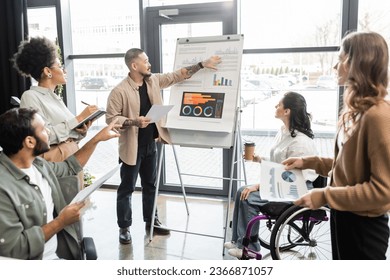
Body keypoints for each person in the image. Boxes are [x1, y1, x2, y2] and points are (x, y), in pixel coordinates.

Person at [282, 31, 390, 260]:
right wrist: (308, 162)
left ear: (357, 64)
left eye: (340, 59)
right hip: (344, 216)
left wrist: (325, 196)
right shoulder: (353, 113)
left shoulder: (379, 116)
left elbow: (382, 192)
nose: (335, 67)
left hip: (364, 229)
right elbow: (348, 168)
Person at [106, 47, 221, 244]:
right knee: (127, 189)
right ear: (134, 65)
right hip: (131, 148)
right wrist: (134, 121)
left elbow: (178, 75)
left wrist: (202, 64)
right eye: (145, 61)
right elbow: (112, 119)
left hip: (151, 144)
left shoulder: (153, 80)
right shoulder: (119, 91)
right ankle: (124, 228)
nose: (149, 64)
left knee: (151, 186)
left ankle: (152, 221)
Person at [0, 107, 120, 260]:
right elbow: (15, 247)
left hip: (56, 254)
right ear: (30, 141)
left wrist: (97, 138)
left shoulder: (38, 165)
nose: (49, 133)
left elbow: (70, 166)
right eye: (44, 129)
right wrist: (61, 221)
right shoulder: (3, 187)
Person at [224, 91, 318, 258]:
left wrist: (258, 186)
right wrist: (258, 159)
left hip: (297, 188)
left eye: (279, 105)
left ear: (287, 111)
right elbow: (280, 162)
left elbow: (290, 176)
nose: (276, 107)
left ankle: (250, 248)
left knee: (249, 197)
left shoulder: (300, 142)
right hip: (284, 183)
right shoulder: (284, 132)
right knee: (241, 191)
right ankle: (238, 241)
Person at [12, 36, 99, 162]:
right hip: (56, 162)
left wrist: (81, 131)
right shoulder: (30, 96)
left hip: (72, 157)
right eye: (60, 66)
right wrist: (79, 118)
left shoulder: (55, 98)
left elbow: (67, 134)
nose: (64, 70)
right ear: (48, 71)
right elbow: (41, 137)